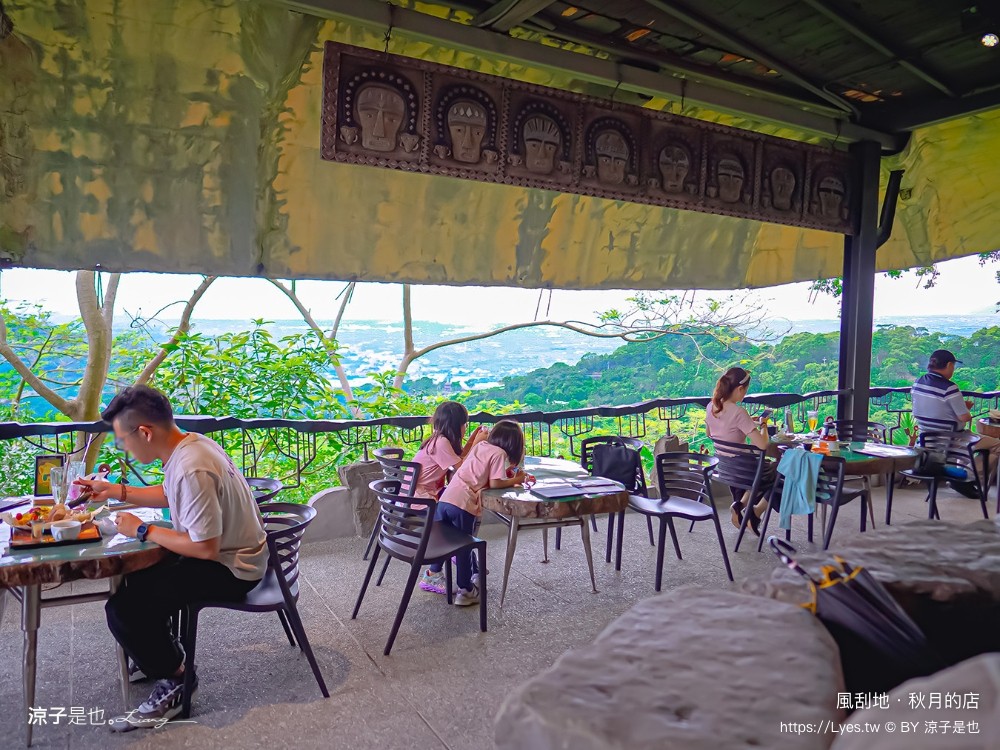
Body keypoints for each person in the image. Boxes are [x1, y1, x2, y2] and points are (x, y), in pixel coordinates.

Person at [76, 385, 267, 731]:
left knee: (123, 610)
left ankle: (178, 677)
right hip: (231, 554)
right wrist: (116, 491)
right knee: (138, 579)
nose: (124, 449)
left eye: (123, 440)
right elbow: (168, 493)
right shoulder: (191, 444)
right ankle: (160, 651)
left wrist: (142, 531)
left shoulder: (192, 467)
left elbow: (205, 549)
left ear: (145, 432)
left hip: (233, 569)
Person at [419, 420, 526, 605]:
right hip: (463, 504)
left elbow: (478, 470)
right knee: (464, 548)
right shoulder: (500, 453)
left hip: (446, 500)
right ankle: (466, 590)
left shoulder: (482, 445)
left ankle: (435, 573)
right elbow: (495, 483)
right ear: (514, 444)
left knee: (448, 542)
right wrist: (518, 478)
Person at [912, 349, 999, 481]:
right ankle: (967, 477)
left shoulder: (919, 382)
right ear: (949, 365)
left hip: (925, 438)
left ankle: (962, 475)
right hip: (951, 439)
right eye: (953, 366)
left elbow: (935, 407)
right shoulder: (949, 387)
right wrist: (965, 408)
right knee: (997, 445)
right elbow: (965, 417)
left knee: (978, 441)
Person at [705, 367, 773, 534]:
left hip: (725, 467)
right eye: (746, 391)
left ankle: (740, 505)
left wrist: (748, 423)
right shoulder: (739, 412)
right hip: (745, 470)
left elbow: (709, 433)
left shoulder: (711, 406)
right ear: (740, 389)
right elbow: (763, 445)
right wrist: (763, 425)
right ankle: (753, 512)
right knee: (781, 471)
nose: (745, 395)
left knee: (767, 471)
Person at [412, 401, 488, 502]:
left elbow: (461, 457)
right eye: (464, 424)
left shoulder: (437, 439)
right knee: (465, 502)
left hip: (413, 497)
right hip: (421, 501)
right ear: (456, 426)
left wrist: (472, 440)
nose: (466, 427)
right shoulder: (441, 443)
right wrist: (478, 442)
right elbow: (462, 468)